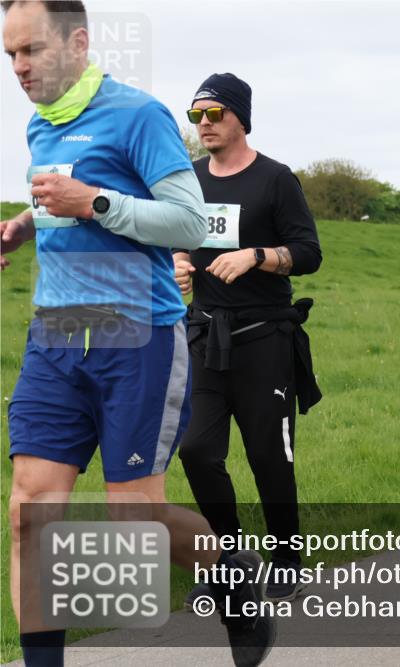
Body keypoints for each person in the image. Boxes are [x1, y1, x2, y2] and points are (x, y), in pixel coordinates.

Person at [1, 3, 274, 665]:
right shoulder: (42, 123)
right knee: (30, 509)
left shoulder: (139, 115)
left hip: (137, 337)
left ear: (79, 42)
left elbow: (188, 222)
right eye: (10, 56)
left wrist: (91, 201)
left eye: (31, 50)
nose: (20, 69)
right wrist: (23, 224)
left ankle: (233, 576)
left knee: (135, 524)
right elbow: (58, 196)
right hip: (57, 337)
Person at [173, 72, 323, 605]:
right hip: (205, 338)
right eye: (197, 116)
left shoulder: (275, 179)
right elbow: (174, 240)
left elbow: (308, 253)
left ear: (240, 118)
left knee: (268, 456)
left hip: (264, 341)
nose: (205, 125)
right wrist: (179, 263)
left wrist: (258, 256)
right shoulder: (187, 180)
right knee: (195, 451)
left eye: (214, 114)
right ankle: (230, 560)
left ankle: (286, 558)